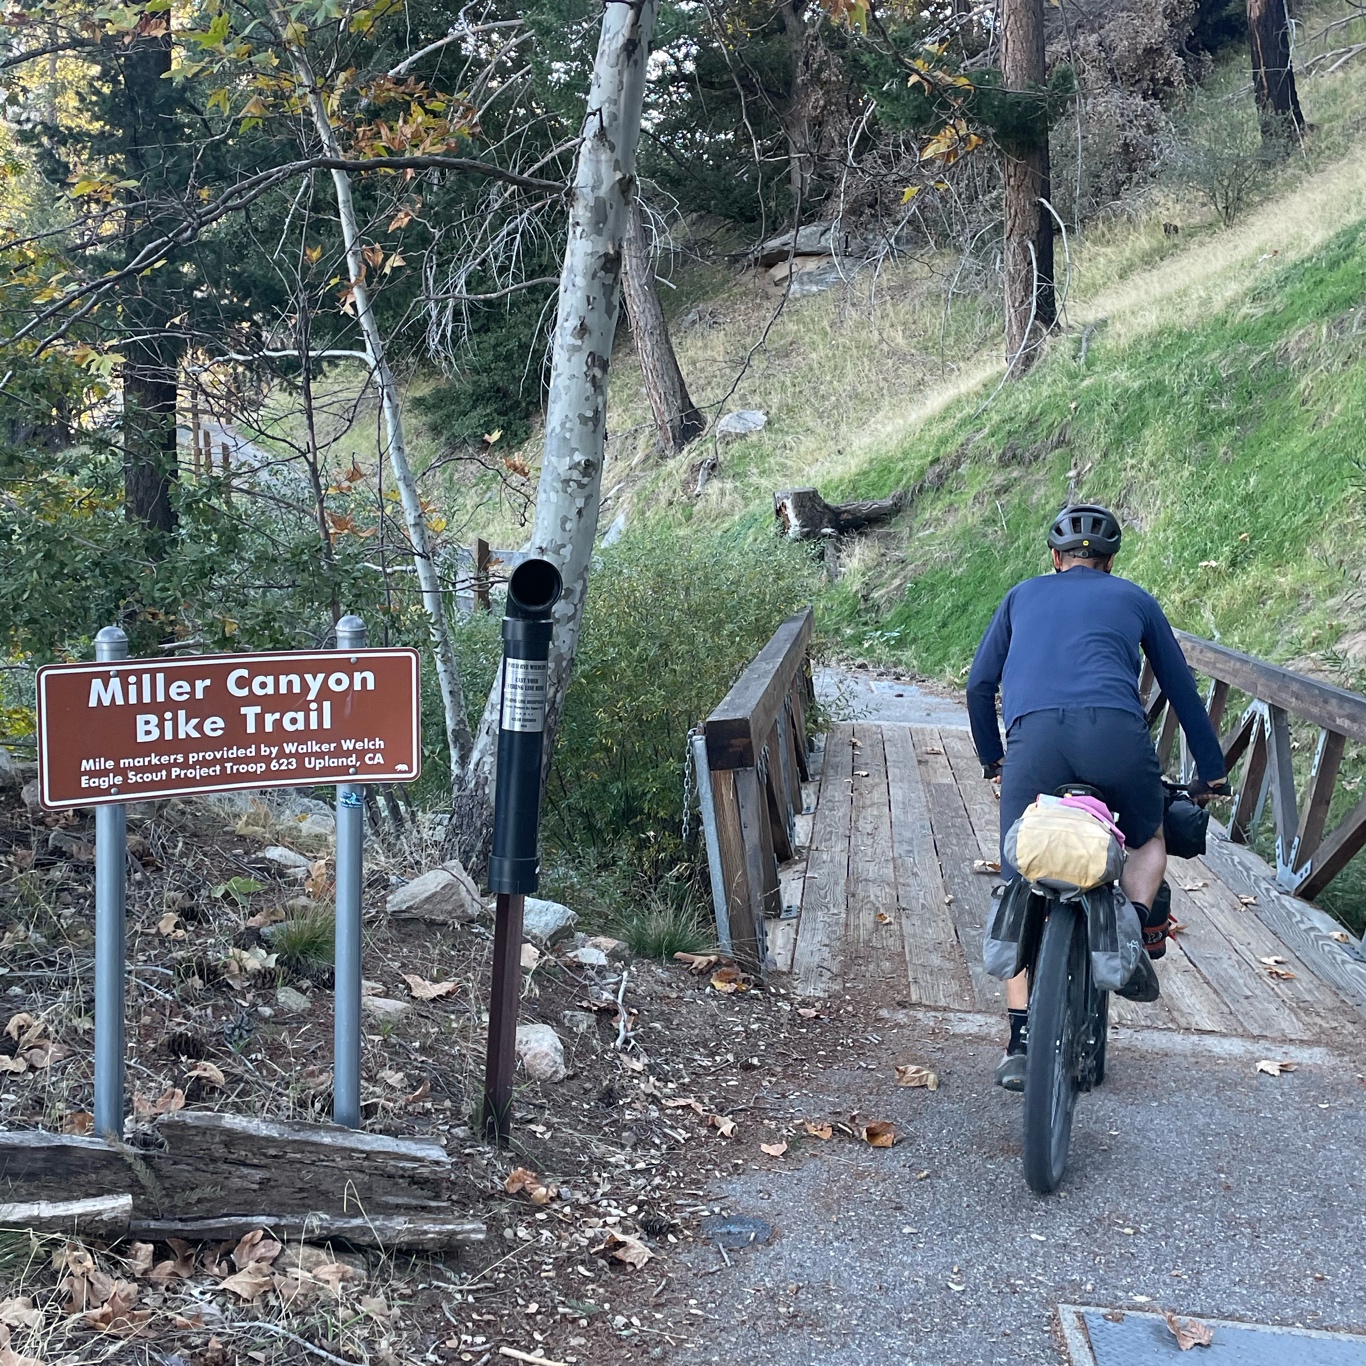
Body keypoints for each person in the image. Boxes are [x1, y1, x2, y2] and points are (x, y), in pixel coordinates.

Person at [967, 504, 1228, 1091]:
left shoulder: (1021, 596)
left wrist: (994, 761)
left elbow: (980, 686)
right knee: (1147, 837)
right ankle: (1129, 932)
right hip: (1116, 737)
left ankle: (1019, 1038)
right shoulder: (1134, 599)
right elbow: (1182, 689)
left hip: (1034, 745)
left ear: (1055, 559)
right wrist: (1211, 773)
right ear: (1110, 563)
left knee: (1020, 872)